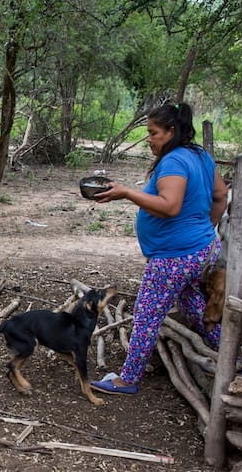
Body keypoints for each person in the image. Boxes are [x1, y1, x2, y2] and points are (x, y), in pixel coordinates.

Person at [88, 102, 228, 395]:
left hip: (174, 257)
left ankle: (128, 379)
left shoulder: (174, 161)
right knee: (195, 306)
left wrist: (126, 192)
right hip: (201, 250)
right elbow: (221, 195)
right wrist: (204, 230)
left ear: (171, 131)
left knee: (146, 314)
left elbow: (169, 206)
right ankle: (231, 358)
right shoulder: (200, 155)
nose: (149, 139)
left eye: (153, 133)